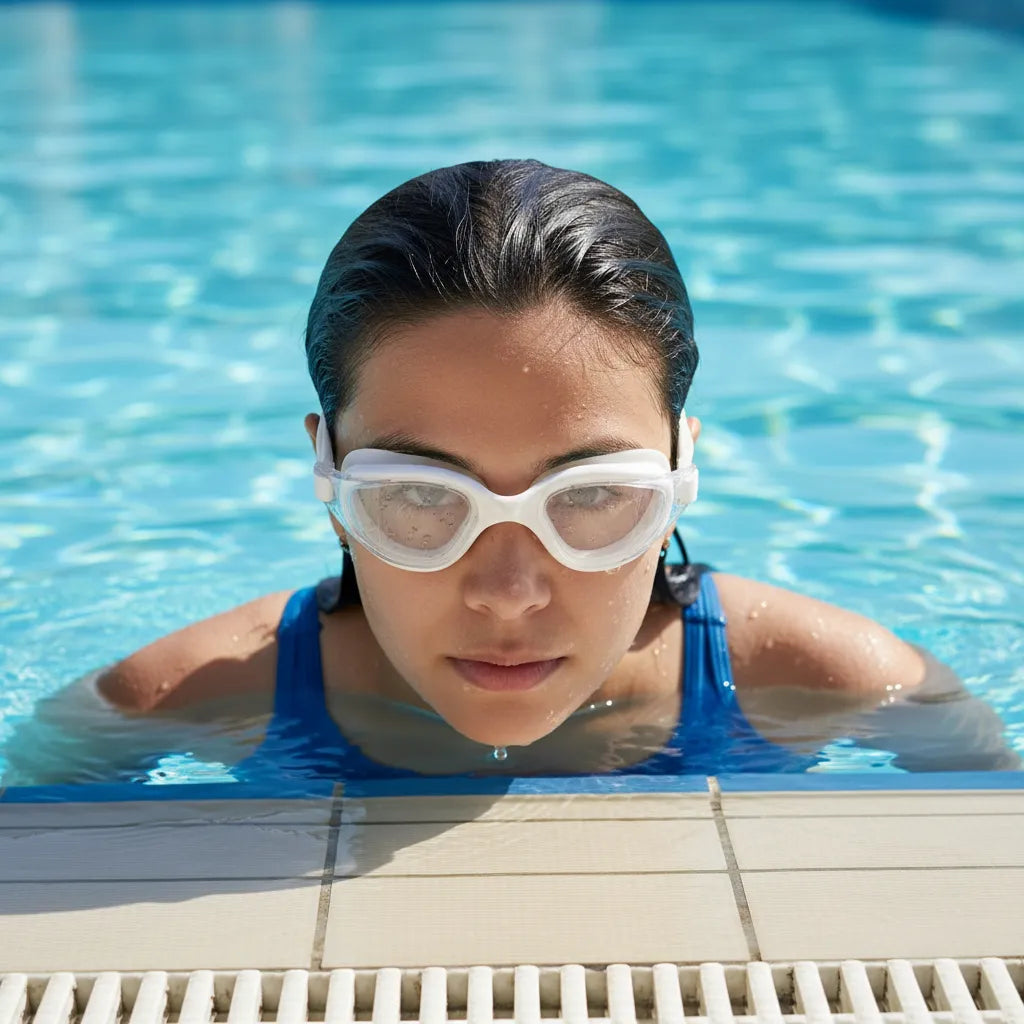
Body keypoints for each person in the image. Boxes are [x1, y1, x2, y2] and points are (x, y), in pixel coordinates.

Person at [3, 159, 1017, 785]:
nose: (507, 593)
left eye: (588, 497)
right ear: (325, 471)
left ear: (680, 466)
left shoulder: (847, 687)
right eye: (418, 498)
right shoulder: (167, 702)